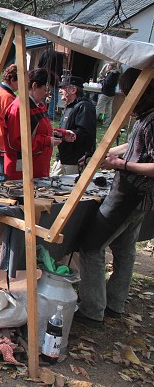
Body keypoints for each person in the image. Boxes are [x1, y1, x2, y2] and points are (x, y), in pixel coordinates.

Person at [76, 68, 154, 327]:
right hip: (138, 196)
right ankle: (114, 303)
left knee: (90, 246)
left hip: (131, 194)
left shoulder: (153, 120)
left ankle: (92, 309)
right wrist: (102, 153)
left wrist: (121, 165)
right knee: (124, 248)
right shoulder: (146, 118)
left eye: (126, 90)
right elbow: (132, 145)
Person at [2, 68, 61, 180]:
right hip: (22, 172)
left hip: (37, 169)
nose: (47, 95)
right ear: (34, 86)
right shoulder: (19, 108)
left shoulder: (39, 105)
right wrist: (47, 141)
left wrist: (61, 134)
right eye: (45, 90)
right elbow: (16, 142)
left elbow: (40, 130)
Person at [50, 76, 96, 176]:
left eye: (63, 87)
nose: (60, 90)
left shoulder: (84, 106)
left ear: (73, 90)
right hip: (64, 160)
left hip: (75, 162)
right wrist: (58, 158)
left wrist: (64, 134)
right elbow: (64, 130)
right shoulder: (69, 106)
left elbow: (85, 134)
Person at [0, 64, 18, 178]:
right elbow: (11, 123)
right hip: (4, 144)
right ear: (12, 80)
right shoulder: (8, 97)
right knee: (2, 181)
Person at [38, 47, 64, 120]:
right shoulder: (59, 55)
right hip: (53, 78)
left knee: (42, 95)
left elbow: (39, 64)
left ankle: (40, 111)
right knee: (54, 97)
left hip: (43, 77)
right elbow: (59, 69)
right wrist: (59, 78)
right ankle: (51, 114)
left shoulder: (45, 52)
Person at [96, 62, 121, 127]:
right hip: (112, 93)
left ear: (112, 67)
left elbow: (107, 84)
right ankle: (106, 124)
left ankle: (92, 121)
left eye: (109, 65)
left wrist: (101, 81)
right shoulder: (117, 73)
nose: (107, 66)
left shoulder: (111, 74)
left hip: (106, 93)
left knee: (99, 108)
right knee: (108, 110)